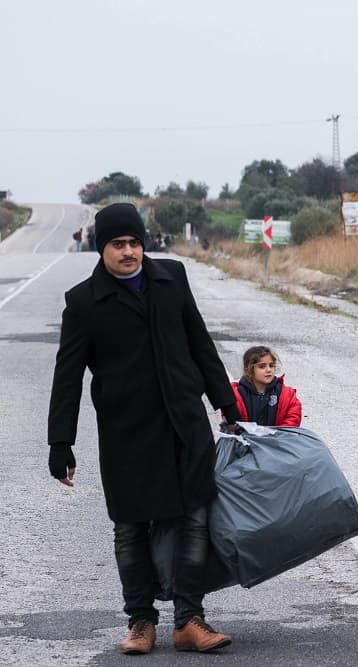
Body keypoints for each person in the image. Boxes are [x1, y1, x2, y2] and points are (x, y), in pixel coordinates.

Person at [47, 202, 240, 654]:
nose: (128, 252)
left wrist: (226, 403)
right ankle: (140, 622)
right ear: (102, 249)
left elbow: (200, 342)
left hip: (183, 423)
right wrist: (61, 442)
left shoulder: (172, 278)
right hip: (126, 431)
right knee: (130, 527)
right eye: (118, 244)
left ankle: (189, 620)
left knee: (193, 518)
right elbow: (67, 376)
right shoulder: (83, 302)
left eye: (134, 242)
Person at [228, 345, 302, 427]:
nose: (269, 370)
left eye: (271, 365)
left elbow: (293, 417)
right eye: (262, 366)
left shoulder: (286, 394)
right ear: (249, 369)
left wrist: (279, 433)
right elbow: (230, 420)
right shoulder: (236, 395)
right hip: (246, 435)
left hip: (278, 435)